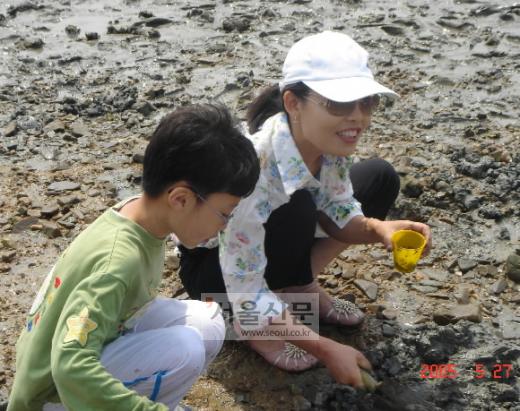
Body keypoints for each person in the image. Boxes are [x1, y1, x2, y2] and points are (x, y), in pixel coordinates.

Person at [178, 31, 432, 388]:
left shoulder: (327, 146)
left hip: (269, 247)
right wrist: (325, 348)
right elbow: (244, 288)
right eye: (339, 104)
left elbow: (339, 208)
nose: (357, 117)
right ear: (293, 103)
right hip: (218, 278)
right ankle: (255, 329)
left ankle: (298, 286)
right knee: (296, 204)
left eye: (367, 102)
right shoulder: (254, 171)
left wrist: (380, 230)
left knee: (379, 177)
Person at [7, 104, 260, 411]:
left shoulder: (138, 214)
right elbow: (70, 366)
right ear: (180, 199)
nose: (225, 226)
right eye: (224, 214)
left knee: (208, 321)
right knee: (187, 348)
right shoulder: (117, 263)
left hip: (92, 341)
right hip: (49, 395)